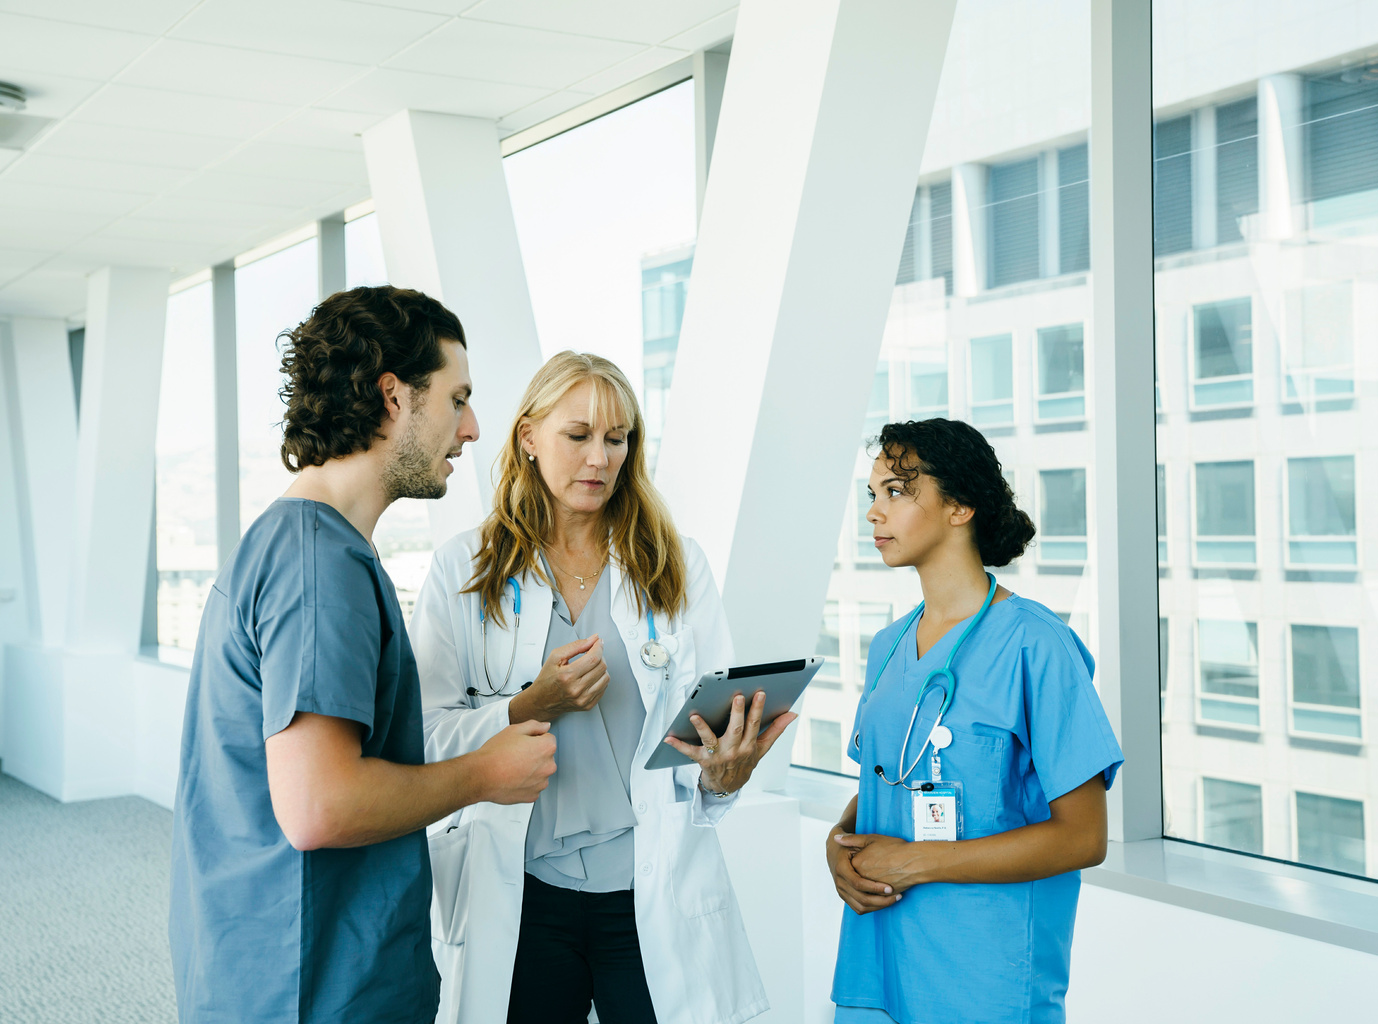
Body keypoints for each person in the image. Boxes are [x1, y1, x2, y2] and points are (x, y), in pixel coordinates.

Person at [169, 286, 558, 1024]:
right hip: (315, 987)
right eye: (457, 398)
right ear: (393, 398)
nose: (473, 428)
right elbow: (321, 805)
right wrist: (486, 773)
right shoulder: (320, 565)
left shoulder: (297, 544)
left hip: (275, 966)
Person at [409, 351, 793, 1024]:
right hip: (526, 892)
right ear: (528, 437)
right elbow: (427, 736)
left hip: (650, 887)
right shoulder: (464, 570)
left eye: (617, 439)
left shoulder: (674, 563)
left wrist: (725, 776)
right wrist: (530, 706)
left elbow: (703, 740)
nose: (600, 458)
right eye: (578, 435)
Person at [826, 418, 1124, 1024]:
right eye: (872, 495)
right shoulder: (889, 645)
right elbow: (883, 787)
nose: (873, 515)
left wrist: (915, 861)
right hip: (876, 966)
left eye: (897, 492)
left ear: (959, 506)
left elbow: (1083, 836)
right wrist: (840, 843)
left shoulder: (1036, 646)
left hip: (982, 979)